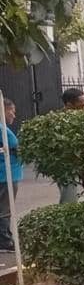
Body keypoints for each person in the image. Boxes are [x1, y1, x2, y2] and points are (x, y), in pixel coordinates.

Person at [0, 97, 19, 251]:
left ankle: (5, 236)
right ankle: (4, 241)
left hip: (7, 173)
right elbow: (15, 147)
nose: (14, 115)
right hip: (6, 174)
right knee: (5, 208)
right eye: (11, 111)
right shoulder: (2, 130)